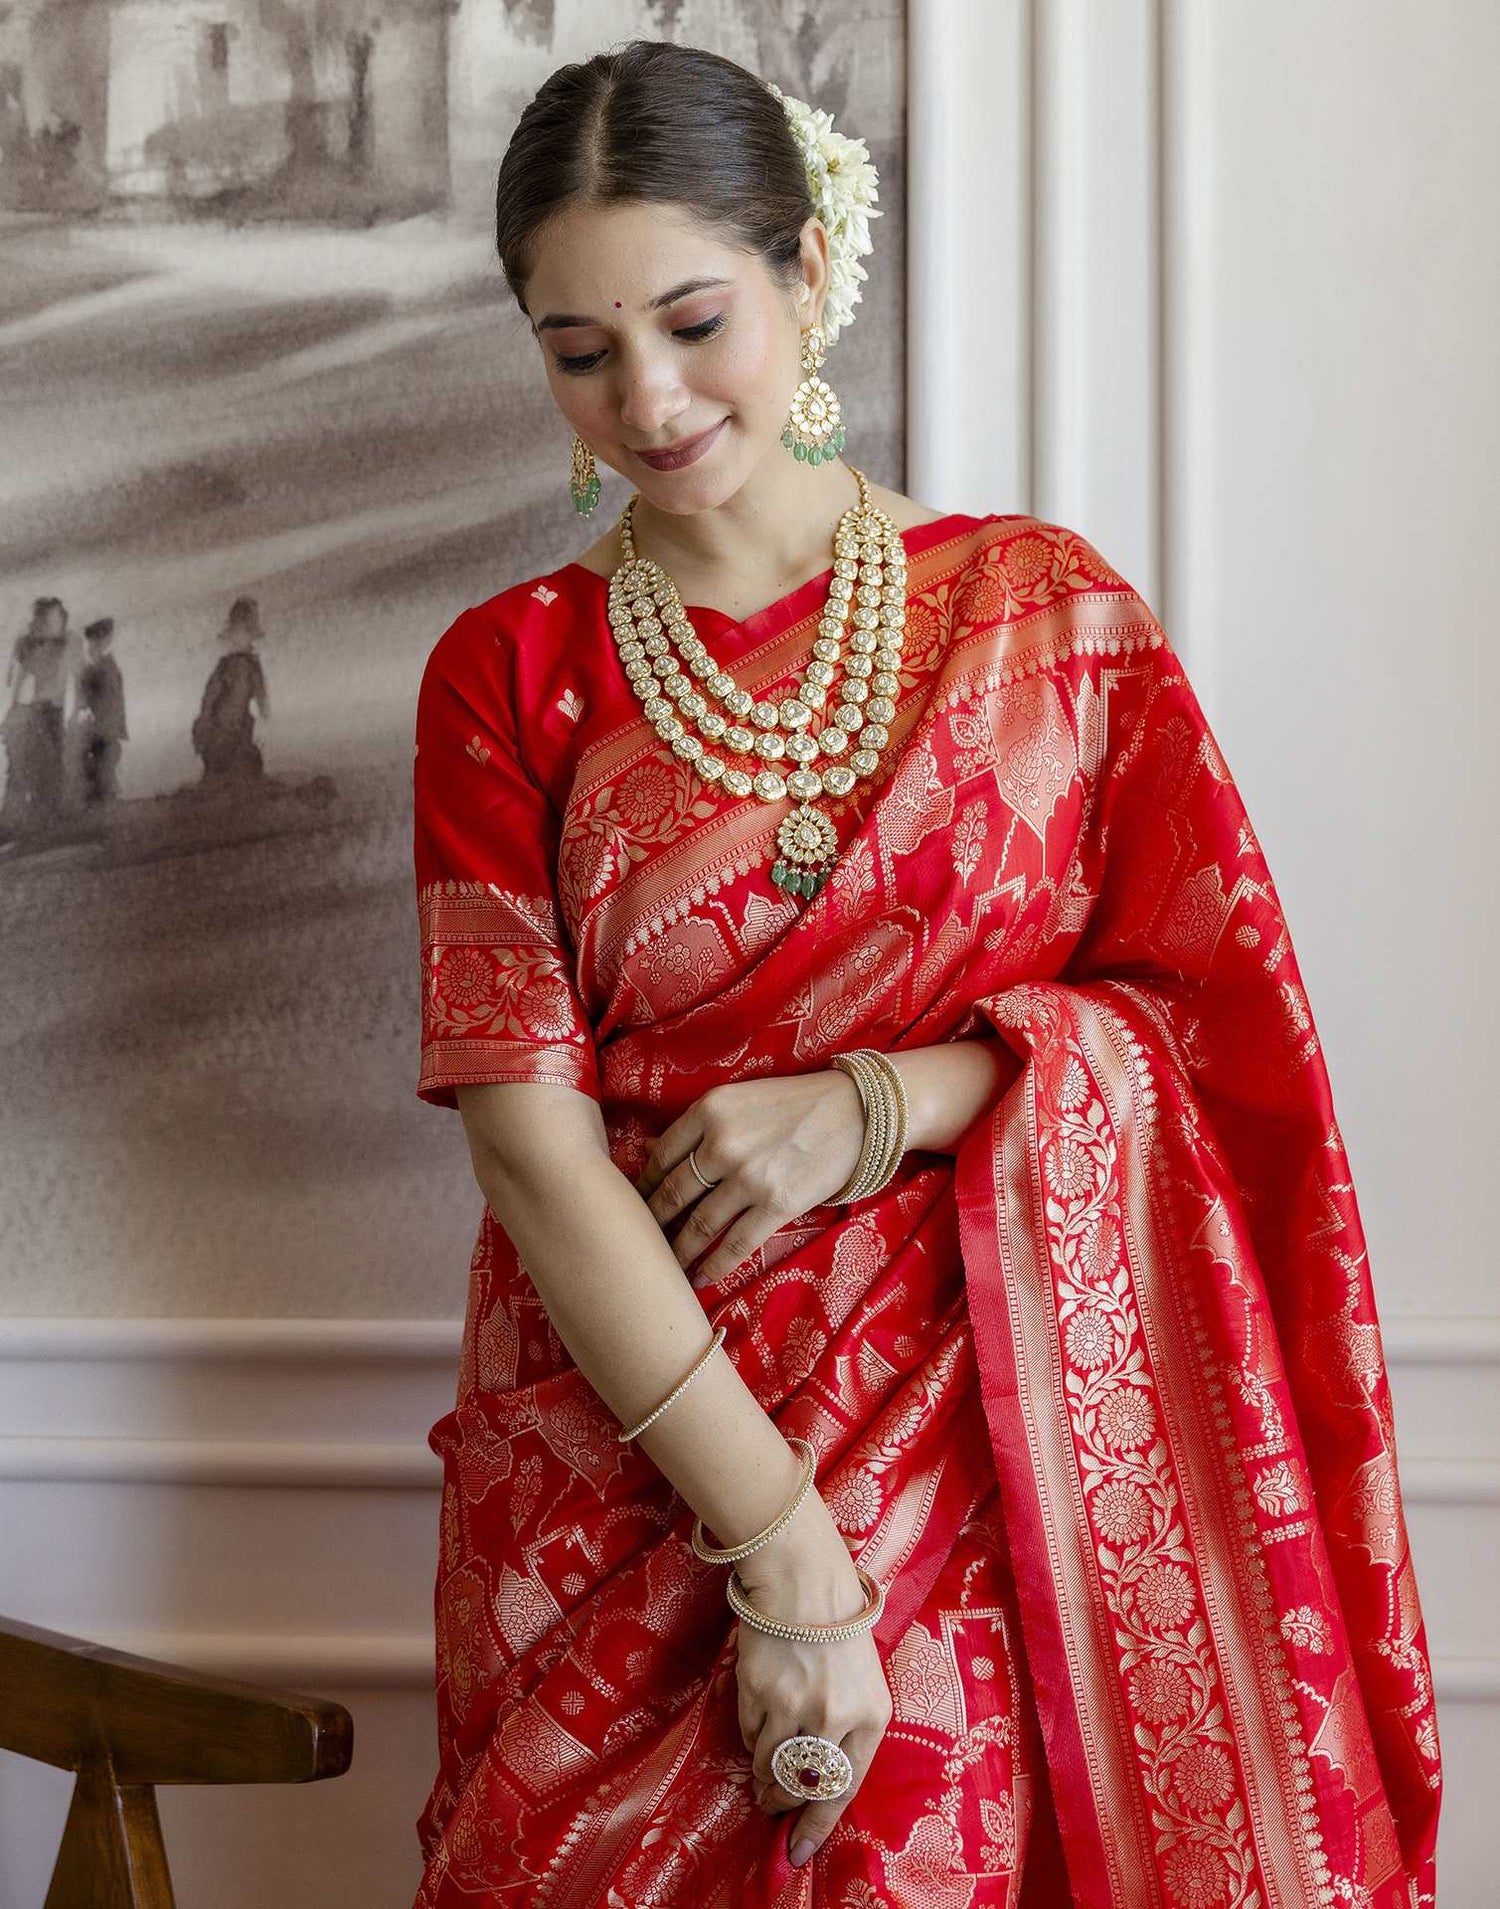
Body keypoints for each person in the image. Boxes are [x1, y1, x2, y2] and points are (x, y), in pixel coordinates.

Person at [408, 40, 1441, 1909]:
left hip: (1008, 1441)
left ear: (810, 269)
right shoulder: (509, 671)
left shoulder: (1046, 615)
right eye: (578, 349)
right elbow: (528, 1150)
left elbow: (1212, 1036)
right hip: (632, 1465)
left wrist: (883, 1099)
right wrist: (783, 1546)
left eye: (695, 317)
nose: (645, 394)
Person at [1, 596, 76, 828]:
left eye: (54, 619)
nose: (49, 624)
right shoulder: (26, 645)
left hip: (53, 710)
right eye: (44, 619)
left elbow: (77, 679)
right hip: (35, 710)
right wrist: (13, 712)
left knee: (51, 764)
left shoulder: (67, 642)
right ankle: (18, 819)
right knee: (26, 765)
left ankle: (46, 816)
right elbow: (15, 683)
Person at [192, 596, 270, 781]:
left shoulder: (249, 665)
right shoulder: (227, 666)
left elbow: (261, 699)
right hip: (221, 734)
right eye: (236, 632)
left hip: (235, 732)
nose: (238, 638)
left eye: (244, 632)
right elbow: (209, 699)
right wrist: (204, 727)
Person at [76, 617, 129, 804]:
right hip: (103, 728)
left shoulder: (100, 668)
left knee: (103, 771)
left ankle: (104, 801)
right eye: (94, 642)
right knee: (103, 771)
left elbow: (111, 700)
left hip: (103, 728)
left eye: (97, 642)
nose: (93, 647)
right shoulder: (103, 667)